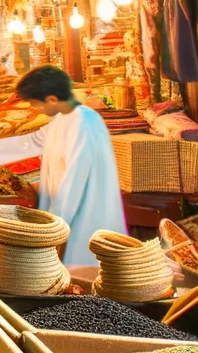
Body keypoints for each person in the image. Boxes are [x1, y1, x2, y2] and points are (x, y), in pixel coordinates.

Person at [15, 65, 125, 266]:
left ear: (52, 99)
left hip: (85, 219)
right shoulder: (64, 117)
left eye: (35, 104)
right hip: (66, 217)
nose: (35, 109)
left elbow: (75, 184)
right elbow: (35, 141)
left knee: (86, 275)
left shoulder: (84, 123)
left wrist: (53, 228)